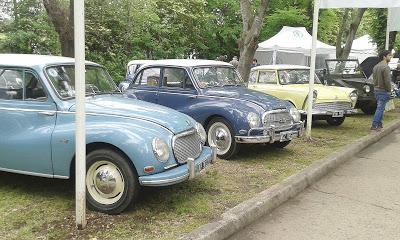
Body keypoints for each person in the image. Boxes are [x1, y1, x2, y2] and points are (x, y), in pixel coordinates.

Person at [371, 50, 393, 131]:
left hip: (376, 89)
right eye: (389, 55)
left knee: (380, 107)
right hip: (383, 90)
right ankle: (374, 125)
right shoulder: (386, 67)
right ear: (384, 56)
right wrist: (389, 90)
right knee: (380, 109)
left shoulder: (375, 66)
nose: (391, 57)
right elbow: (387, 81)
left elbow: (374, 79)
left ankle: (379, 124)